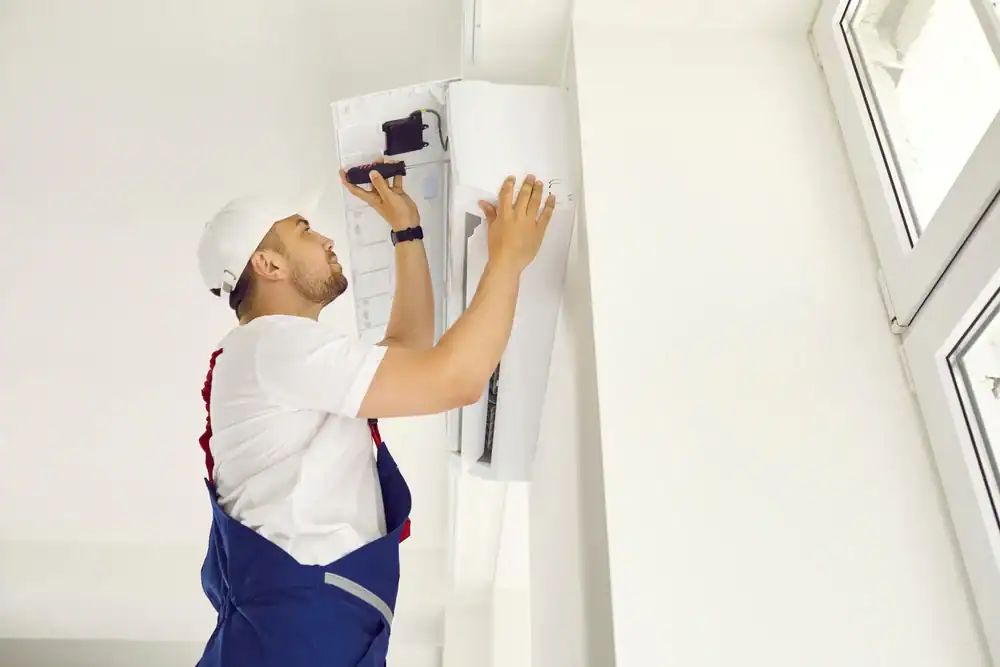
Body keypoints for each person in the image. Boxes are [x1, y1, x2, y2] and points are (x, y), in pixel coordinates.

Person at [193, 160, 556, 667]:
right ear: (268, 264)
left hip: (303, 631)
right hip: (299, 633)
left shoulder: (273, 356)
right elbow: (455, 379)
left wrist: (407, 230)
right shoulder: (270, 345)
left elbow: (408, 351)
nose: (325, 240)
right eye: (304, 231)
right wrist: (508, 261)